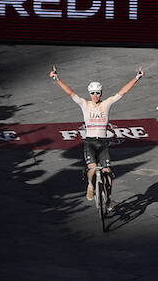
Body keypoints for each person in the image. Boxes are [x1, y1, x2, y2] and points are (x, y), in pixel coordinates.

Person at [49, 66, 145, 201]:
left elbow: (122, 92)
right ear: (89, 93)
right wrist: (57, 79)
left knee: (107, 171)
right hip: (90, 142)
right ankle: (90, 186)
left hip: (103, 142)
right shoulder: (85, 104)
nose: (95, 95)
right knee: (93, 168)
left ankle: (108, 199)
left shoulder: (106, 104)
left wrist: (136, 78)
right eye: (93, 93)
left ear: (101, 93)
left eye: (98, 93)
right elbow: (70, 92)